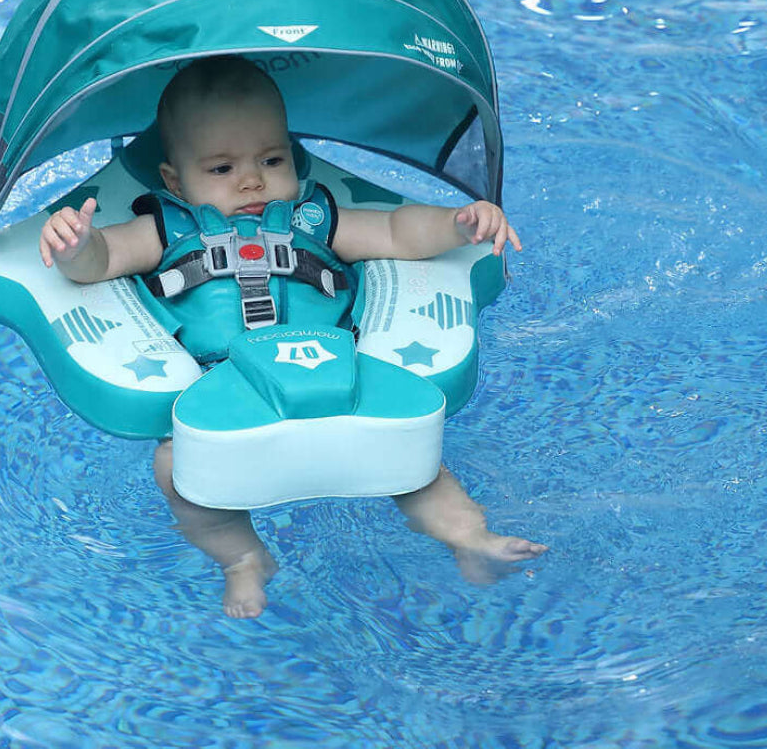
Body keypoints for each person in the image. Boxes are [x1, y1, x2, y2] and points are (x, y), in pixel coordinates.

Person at [39, 56, 546, 618]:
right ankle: (242, 558)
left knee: (416, 465)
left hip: (339, 379)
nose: (252, 179)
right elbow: (101, 260)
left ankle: (469, 539)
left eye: (272, 159)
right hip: (225, 392)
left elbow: (395, 231)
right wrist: (74, 246)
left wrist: (457, 222)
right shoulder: (166, 227)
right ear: (175, 181)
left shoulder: (312, 218)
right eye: (222, 168)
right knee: (176, 468)